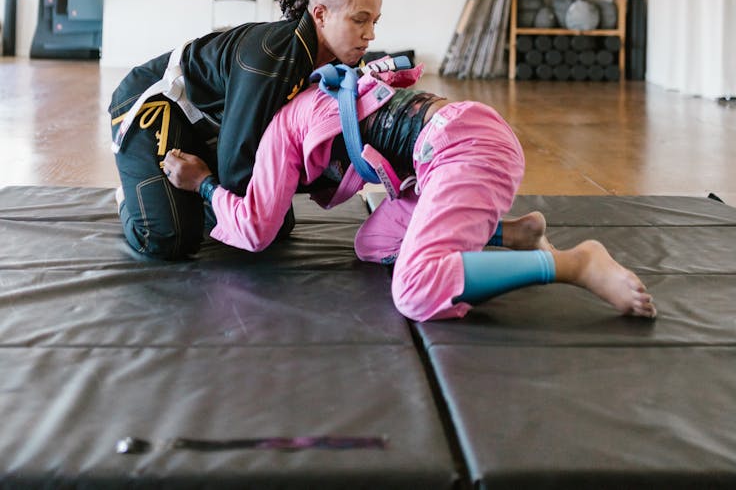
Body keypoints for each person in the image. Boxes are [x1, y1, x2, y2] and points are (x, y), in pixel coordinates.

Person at [160, 58, 657, 322]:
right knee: (373, 243)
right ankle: (515, 234)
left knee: (416, 291)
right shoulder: (312, 93)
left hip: (462, 147)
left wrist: (203, 184)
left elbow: (255, 227)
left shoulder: (279, 125)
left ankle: (576, 263)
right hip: (451, 144)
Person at [109, 0, 382, 260]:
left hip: (209, 123)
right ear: (320, 14)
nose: (370, 34)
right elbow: (235, 171)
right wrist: (205, 184)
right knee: (169, 239)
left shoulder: (342, 62)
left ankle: (180, 199)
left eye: (375, 22)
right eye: (360, 20)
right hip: (155, 100)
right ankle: (130, 196)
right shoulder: (270, 60)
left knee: (278, 226)